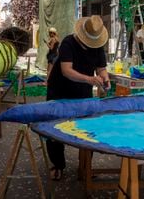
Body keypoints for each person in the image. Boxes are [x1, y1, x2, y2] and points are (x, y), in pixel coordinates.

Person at [46, 15, 110, 181]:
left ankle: (85, 167)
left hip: (83, 90)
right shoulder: (68, 43)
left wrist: (105, 79)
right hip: (60, 88)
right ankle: (58, 164)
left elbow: (101, 68)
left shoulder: (98, 46)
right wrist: (89, 79)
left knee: (87, 128)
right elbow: (67, 71)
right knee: (56, 127)